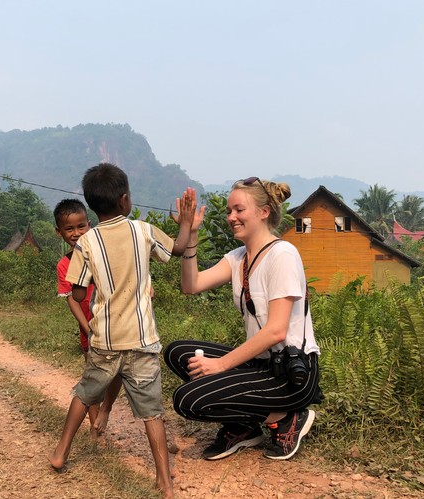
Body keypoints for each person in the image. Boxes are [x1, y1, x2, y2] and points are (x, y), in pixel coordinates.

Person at [48, 163, 196, 498]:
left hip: (103, 341)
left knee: (85, 394)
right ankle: (164, 481)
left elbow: (79, 292)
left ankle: (60, 453)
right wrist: (186, 224)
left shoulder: (86, 243)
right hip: (142, 341)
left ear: (92, 206)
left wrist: (98, 288)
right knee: (151, 412)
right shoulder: (144, 232)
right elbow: (177, 248)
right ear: (125, 200)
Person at [164, 176, 322, 462]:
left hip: (291, 374)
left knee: (188, 400)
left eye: (239, 210)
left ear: (263, 212)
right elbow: (191, 286)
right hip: (261, 364)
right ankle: (245, 427)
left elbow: (276, 331)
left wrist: (220, 365)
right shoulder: (239, 258)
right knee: (178, 352)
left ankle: (285, 418)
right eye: (228, 211)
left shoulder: (282, 254)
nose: (231, 217)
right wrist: (191, 234)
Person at [53, 198, 120, 438]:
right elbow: (72, 298)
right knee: (93, 381)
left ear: (89, 225)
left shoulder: (104, 254)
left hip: (115, 326)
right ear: (59, 232)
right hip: (89, 331)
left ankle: (107, 409)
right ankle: (95, 431)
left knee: (118, 373)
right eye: (69, 229)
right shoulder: (64, 265)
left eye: (81, 226)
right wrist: (87, 327)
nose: (76, 233)